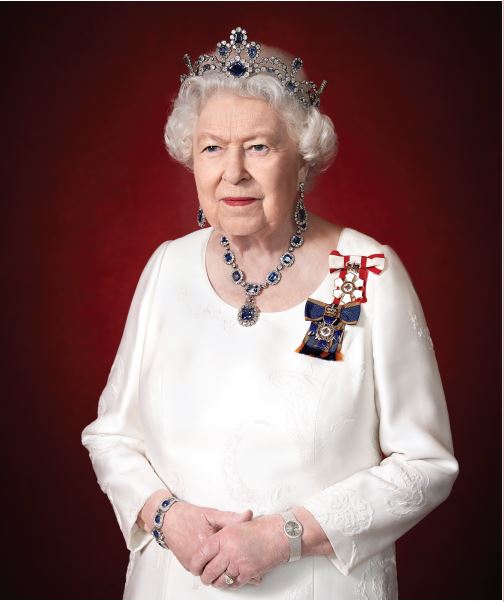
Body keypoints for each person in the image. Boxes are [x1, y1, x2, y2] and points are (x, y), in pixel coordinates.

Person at [81, 25, 459, 600]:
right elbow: (111, 437)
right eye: (212, 148)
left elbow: (424, 463)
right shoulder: (167, 268)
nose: (233, 172)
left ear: (302, 161)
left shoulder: (357, 272)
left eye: (258, 146)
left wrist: (284, 536)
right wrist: (166, 519)